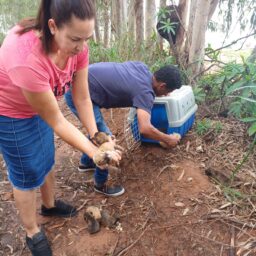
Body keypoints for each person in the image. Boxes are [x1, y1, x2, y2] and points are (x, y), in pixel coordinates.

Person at [0, 1, 121, 255]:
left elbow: (82, 98)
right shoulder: (26, 58)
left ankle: (49, 205)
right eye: (76, 38)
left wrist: (95, 135)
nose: (82, 46)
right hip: (10, 112)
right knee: (26, 172)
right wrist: (94, 153)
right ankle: (32, 231)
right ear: (53, 26)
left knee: (46, 158)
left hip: (40, 105)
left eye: (87, 38)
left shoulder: (78, 48)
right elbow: (57, 121)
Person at [65, 61, 182, 191]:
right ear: (162, 85)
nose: (167, 95)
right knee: (105, 140)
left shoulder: (142, 68)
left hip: (81, 81)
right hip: (79, 92)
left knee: (96, 130)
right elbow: (144, 128)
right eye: (168, 91)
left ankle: (86, 163)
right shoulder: (145, 92)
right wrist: (168, 139)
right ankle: (100, 184)